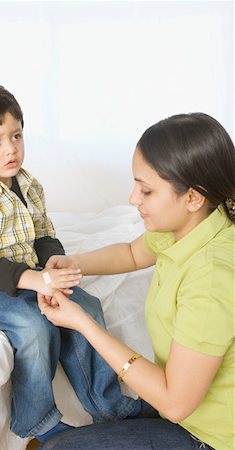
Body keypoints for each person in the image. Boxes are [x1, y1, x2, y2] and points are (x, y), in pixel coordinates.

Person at [0, 82, 139, 442]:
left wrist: (53, 262)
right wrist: (33, 281)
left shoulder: (28, 184)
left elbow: (43, 235)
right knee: (33, 325)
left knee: (85, 307)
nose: (10, 149)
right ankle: (37, 420)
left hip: (29, 273)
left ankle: (107, 405)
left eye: (16, 136)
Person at [38, 112, 235, 450]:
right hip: (183, 410)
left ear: (192, 197)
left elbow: (175, 404)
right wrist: (74, 264)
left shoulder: (212, 278)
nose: (132, 200)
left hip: (212, 438)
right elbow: (132, 253)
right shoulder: (193, 225)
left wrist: (81, 322)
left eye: (146, 191)